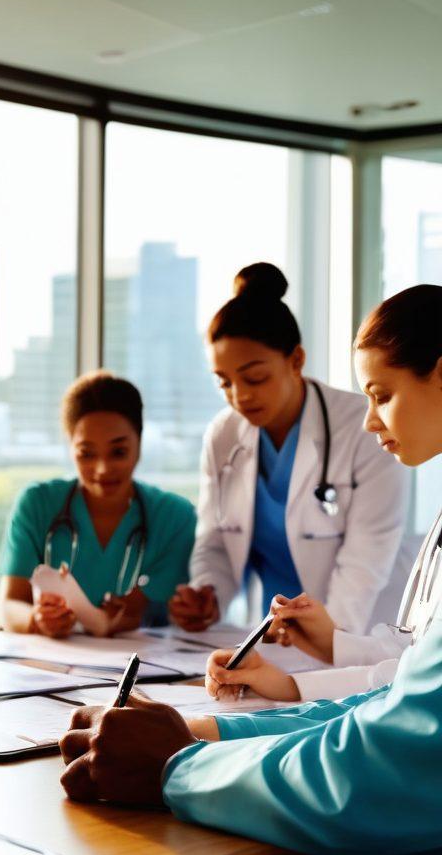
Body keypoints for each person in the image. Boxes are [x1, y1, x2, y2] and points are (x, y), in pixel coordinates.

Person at [56, 287, 442, 855]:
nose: (371, 418)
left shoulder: (366, 449)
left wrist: (176, 766)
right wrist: (208, 728)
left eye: (384, 395)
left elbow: (391, 755)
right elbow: (404, 697)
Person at [206, 284, 442, 703]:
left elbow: (421, 691)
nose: (371, 422)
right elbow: (416, 661)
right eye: (225, 382)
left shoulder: (354, 436)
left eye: (382, 396)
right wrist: (327, 645)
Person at [169, 262, 408, 636]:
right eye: (224, 382)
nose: (239, 395)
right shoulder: (223, 436)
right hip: (274, 636)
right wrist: (207, 593)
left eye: (254, 377)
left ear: (296, 360)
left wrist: (325, 640)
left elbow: (364, 567)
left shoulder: (365, 430)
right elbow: (215, 537)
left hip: (366, 633)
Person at [0, 371, 196, 638]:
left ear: (139, 442)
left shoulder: (174, 517)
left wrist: (116, 617)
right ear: (70, 448)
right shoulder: (37, 504)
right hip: (48, 666)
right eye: (86, 454)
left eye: (118, 452)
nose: (102, 469)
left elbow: (136, 611)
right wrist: (37, 619)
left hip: (137, 665)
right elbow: (9, 605)